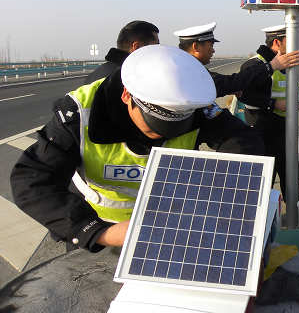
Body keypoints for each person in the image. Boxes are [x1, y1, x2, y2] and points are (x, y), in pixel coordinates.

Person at [11, 45, 264, 251]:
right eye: (155, 124)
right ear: (126, 97)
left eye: (175, 127)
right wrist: (102, 233)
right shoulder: (79, 112)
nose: (163, 134)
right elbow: (32, 180)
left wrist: (223, 203)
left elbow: (245, 145)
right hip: (100, 234)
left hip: (171, 232)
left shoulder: (197, 108)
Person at [239, 25, 299, 200]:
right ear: (277, 42)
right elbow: (245, 95)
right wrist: (274, 104)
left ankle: (296, 219)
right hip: (262, 132)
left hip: (285, 132)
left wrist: (297, 104)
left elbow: (281, 93)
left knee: (291, 179)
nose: (295, 45)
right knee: (263, 184)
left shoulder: (286, 66)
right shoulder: (254, 65)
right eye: (291, 40)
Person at [175, 22, 299, 97]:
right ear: (196, 46)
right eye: (211, 45)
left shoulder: (188, 68)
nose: (213, 50)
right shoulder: (187, 72)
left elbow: (226, 83)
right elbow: (229, 83)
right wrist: (271, 67)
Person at [84, 20, 159, 84]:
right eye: (155, 46)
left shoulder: (94, 75)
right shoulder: (130, 79)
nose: (158, 51)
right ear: (136, 47)